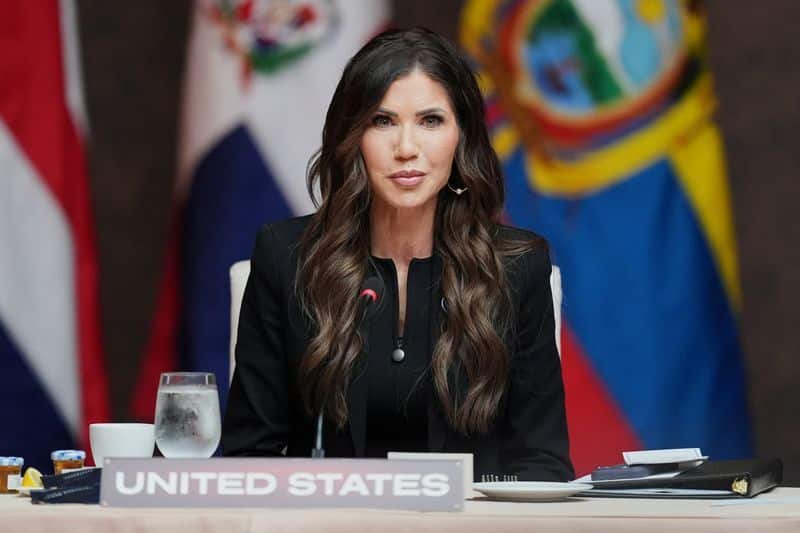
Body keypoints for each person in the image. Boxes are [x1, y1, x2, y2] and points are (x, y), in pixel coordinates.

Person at [222, 27, 574, 482]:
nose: (406, 149)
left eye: (430, 121)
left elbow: (542, 463)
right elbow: (250, 455)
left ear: (462, 136)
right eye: (382, 121)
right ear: (353, 136)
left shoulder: (516, 267)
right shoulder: (287, 258)